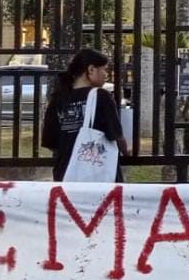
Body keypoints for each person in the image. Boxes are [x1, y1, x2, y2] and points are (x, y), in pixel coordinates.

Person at [42, 49, 129, 181]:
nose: (106, 75)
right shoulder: (101, 96)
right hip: (97, 173)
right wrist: (127, 151)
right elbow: (115, 135)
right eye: (104, 69)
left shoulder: (58, 99)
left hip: (65, 171)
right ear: (91, 69)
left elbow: (50, 140)